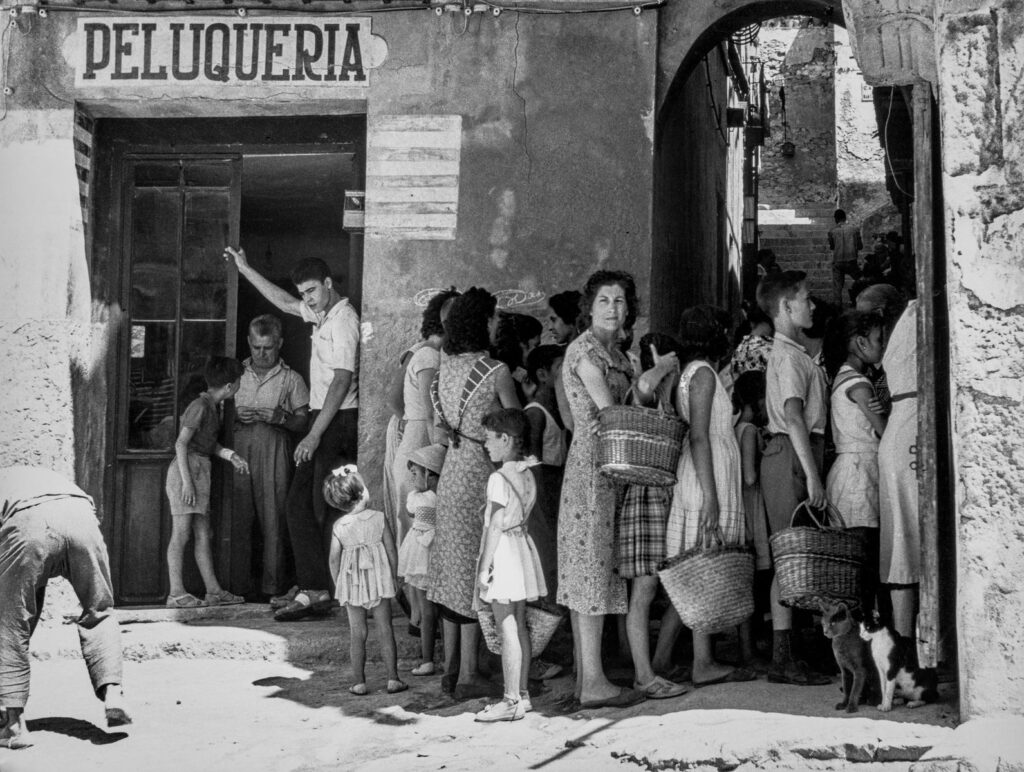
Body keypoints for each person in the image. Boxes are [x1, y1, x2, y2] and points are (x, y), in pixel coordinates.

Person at [225, 247, 360, 622]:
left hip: (336, 419)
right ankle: (314, 587)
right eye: (304, 293)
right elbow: (282, 301)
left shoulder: (344, 319)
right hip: (325, 418)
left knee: (313, 508)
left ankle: (318, 589)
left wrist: (314, 434)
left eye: (313, 291)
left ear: (329, 284)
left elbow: (342, 380)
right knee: (302, 506)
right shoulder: (321, 313)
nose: (307, 299)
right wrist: (245, 268)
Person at [557, 270, 644, 710]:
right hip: (593, 469)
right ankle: (592, 682)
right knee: (589, 569)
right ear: (589, 308)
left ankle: (588, 679)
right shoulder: (584, 351)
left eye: (621, 301)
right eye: (606, 301)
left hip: (614, 469)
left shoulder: (619, 353)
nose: (614, 308)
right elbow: (612, 414)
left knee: (598, 568)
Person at [427, 288, 520, 699]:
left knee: (452, 572)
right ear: (481, 322)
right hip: (484, 475)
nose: (498, 323)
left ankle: (453, 669)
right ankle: (469, 674)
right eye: (494, 317)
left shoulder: (441, 371)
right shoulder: (495, 371)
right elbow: (515, 427)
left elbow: (438, 431)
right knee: (475, 574)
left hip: (451, 474)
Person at [0, 466, 132, 750]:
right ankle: (113, 693)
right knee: (100, 610)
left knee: (9, 621)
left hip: (28, 524)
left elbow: (15, 600)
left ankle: (12, 726)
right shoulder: (25, 475)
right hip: (81, 518)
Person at [658, 307, 755, 688]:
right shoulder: (701, 374)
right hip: (705, 476)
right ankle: (702, 662)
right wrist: (712, 496)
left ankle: (662, 660)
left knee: (689, 574)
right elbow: (699, 435)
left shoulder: (692, 372)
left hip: (706, 472)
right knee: (703, 569)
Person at [756, 272, 831, 685]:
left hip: (798, 453)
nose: (812, 306)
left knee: (799, 555)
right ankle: (783, 659)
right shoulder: (787, 357)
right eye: (806, 299)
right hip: (792, 453)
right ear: (786, 307)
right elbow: (793, 416)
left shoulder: (796, 353)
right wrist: (814, 477)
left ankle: (794, 652)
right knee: (789, 555)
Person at [618, 332, 690, 699]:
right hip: (645, 499)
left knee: (673, 585)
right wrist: (662, 364)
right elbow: (644, 384)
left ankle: (656, 664)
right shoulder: (642, 394)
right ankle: (644, 675)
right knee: (644, 591)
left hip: (663, 500)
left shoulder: (668, 401)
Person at [474, 408, 547, 722]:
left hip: (504, 551)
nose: (486, 445)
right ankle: (523, 694)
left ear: (506, 439)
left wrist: (483, 566)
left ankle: (509, 699)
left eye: (490, 439)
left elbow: (496, 525)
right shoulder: (527, 472)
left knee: (507, 630)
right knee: (519, 626)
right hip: (522, 547)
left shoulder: (498, 478)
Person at [234, 314, 310, 600]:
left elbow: (303, 421)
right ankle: (238, 587)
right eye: (256, 348)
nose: (261, 354)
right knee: (240, 516)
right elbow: (214, 409)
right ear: (249, 343)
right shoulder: (236, 374)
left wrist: (282, 417)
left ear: (279, 344)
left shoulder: (291, 378)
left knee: (273, 518)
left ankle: (272, 588)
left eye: (268, 348)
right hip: (239, 448)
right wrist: (233, 415)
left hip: (275, 448)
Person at [165, 356, 249, 608]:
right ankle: (176, 594)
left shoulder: (213, 407)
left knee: (203, 533)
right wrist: (187, 483)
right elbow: (181, 443)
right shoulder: (199, 406)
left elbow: (208, 444)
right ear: (229, 387)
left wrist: (230, 456)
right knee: (181, 534)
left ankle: (213, 591)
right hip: (187, 470)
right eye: (238, 383)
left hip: (201, 469)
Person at [822, 310, 888, 615]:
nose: (882, 345)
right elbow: (884, 431)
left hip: (848, 470)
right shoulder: (860, 384)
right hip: (859, 474)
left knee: (854, 562)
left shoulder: (843, 377)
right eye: (878, 339)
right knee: (866, 561)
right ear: (861, 343)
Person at [324, 465, 406, 697]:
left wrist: (339, 585)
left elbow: (333, 560)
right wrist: (395, 576)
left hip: (352, 585)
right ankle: (393, 679)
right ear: (362, 492)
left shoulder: (339, 526)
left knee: (357, 633)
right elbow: (391, 550)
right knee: (385, 629)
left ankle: (359, 682)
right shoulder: (379, 518)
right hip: (379, 582)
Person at [732, 370, 771, 667]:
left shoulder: (734, 426)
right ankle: (749, 649)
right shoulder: (749, 431)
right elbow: (749, 476)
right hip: (751, 506)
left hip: (742, 507)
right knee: (753, 582)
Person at [397, 443, 446, 676]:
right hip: (422, 549)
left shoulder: (424, 498)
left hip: (422, 552)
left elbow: (411, 512)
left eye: (416, 472)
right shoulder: (432, 496)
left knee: (427, 610)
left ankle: (427, 659)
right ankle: (438, 656)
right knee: (432, 608)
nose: (412, 477)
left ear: (430, 474)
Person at [827, 209, 863, 306]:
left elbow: (832, 246)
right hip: (851, 261)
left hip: (838, 261)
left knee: (837, 288)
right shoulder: (854, 229)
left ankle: (838, 308)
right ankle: (861, 300)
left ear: (835, 219)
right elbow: (860, 246)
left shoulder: (832, 231)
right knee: (861, 280)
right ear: (845, 217)